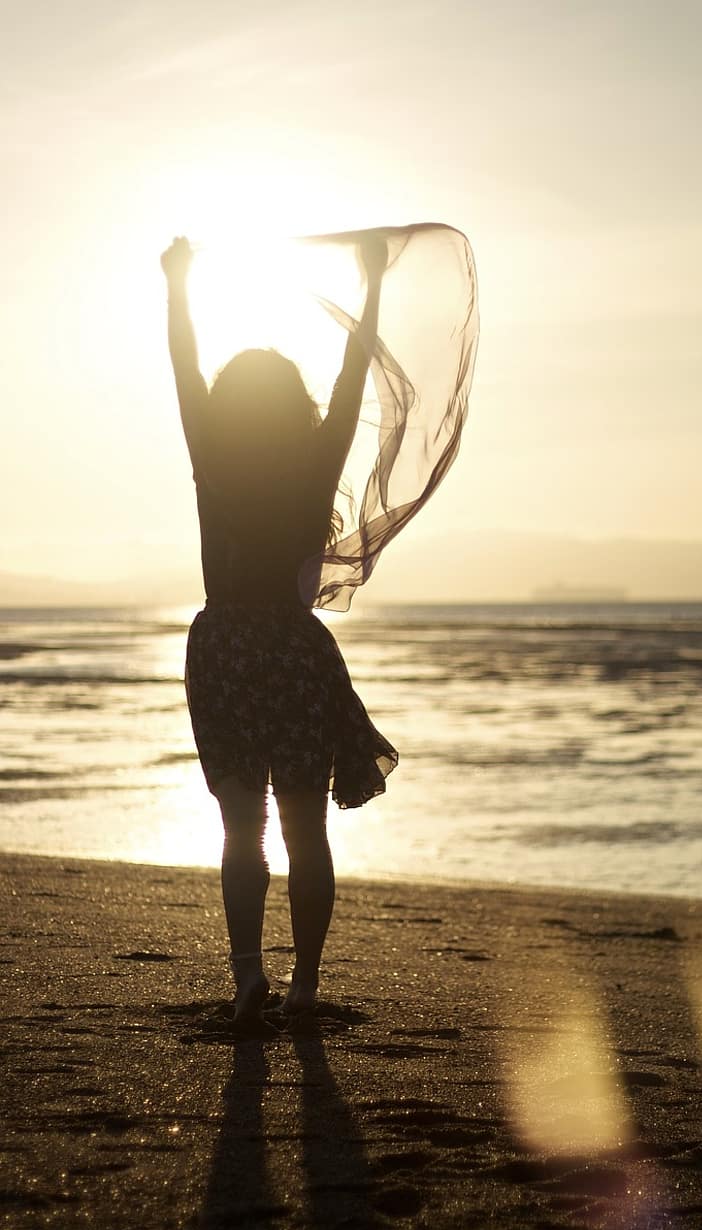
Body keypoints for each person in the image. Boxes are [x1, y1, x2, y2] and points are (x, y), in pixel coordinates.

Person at [161, 233, 397, 1030]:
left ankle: (246, 977)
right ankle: (304, 984)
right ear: (294, 408)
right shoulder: (312, 460)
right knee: (304, 826)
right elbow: (353, 371)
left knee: (241, 825)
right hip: (294, 651)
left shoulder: (212, 456)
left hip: (223, 645)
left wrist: (178, 283)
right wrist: (370, 287)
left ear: (227, 405)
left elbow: (181, 364)